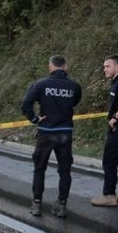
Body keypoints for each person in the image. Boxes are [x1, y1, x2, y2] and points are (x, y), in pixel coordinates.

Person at [21, 55, 82, 218]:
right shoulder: (74, 86)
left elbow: (26, 104)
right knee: (65, 171)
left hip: (46, 133)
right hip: (65, 133)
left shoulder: (41, 85)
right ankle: (61, 205)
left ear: (50, 67)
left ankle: (37, 204)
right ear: (65, 67)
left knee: (39, 169)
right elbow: (74, 102)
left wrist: (35, 119)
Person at [91, 55, 118, 207]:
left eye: (107, 66)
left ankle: (109, 195)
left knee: (109, 161)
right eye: (104, 66)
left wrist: (115, 117)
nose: (104, 69)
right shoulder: (117, 82)